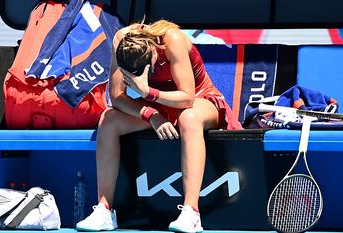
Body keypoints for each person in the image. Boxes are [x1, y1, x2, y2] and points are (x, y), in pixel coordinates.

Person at [76, 19, 242, 233]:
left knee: (188, 118)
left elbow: (187, 98)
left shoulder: (172, 39)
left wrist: (148, 93)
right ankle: (104, 210)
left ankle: (192, 213)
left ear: (153, 53)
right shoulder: (121, 40)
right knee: (108, 120)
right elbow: (117, 97)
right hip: (156, 106)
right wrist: (151, 114)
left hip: (199, 100)